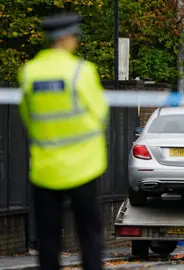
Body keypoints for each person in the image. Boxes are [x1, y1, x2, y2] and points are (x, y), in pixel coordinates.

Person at [17, 12, 108, 270]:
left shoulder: (29, 73)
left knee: (48, 238)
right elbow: (100, 113)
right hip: (83, 167)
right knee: (89, 234)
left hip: (45, 168)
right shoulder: (81, 71)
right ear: (67, 38)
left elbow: (27, 115)